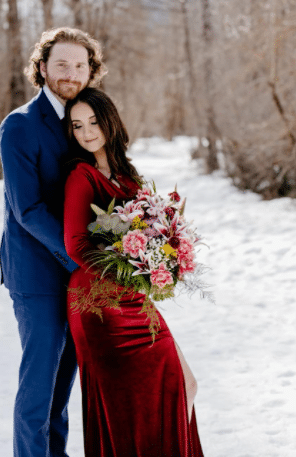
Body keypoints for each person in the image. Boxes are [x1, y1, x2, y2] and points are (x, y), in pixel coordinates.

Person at [63, 87, 204, 457]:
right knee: (127, 411)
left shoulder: (128, 174)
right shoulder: (82, 176)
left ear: (110, 120)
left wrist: (165, 257)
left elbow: (149, 228)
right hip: (98, 305)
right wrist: (130, 269)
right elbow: (76, 245)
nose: (87, 132)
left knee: (185, 384)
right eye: (77, 126)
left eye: (93, 122)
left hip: (131, 300)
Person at [0, 28, 106, 457]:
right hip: (37, 273)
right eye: (61, 64)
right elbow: (27, 210)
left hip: (79, 275)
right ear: (42, 68)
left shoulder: (87, 120)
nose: (71, 73)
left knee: (62, 389)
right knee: (38, 389)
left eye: (80, 65)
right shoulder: (19, 125)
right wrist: (80, 257)